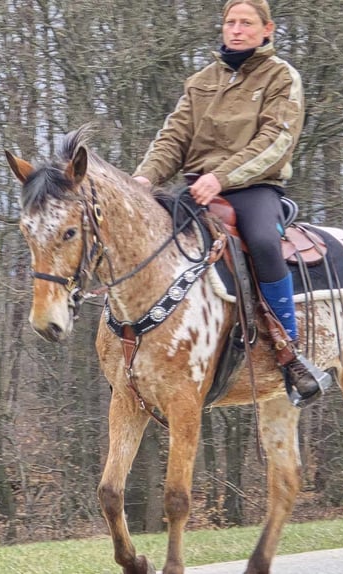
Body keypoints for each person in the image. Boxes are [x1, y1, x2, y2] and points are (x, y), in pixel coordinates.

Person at [133, 0, 331, 407]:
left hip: (254, 188)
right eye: (230, 22)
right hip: (196, 189)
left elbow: (275, 142)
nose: (236, 30)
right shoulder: (201, 81)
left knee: (260, 240)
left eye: (246, 23)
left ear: (267, 29)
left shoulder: (281, 77)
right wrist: (144, 177)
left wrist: (221, 178)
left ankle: (287, 351)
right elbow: (174, 138)